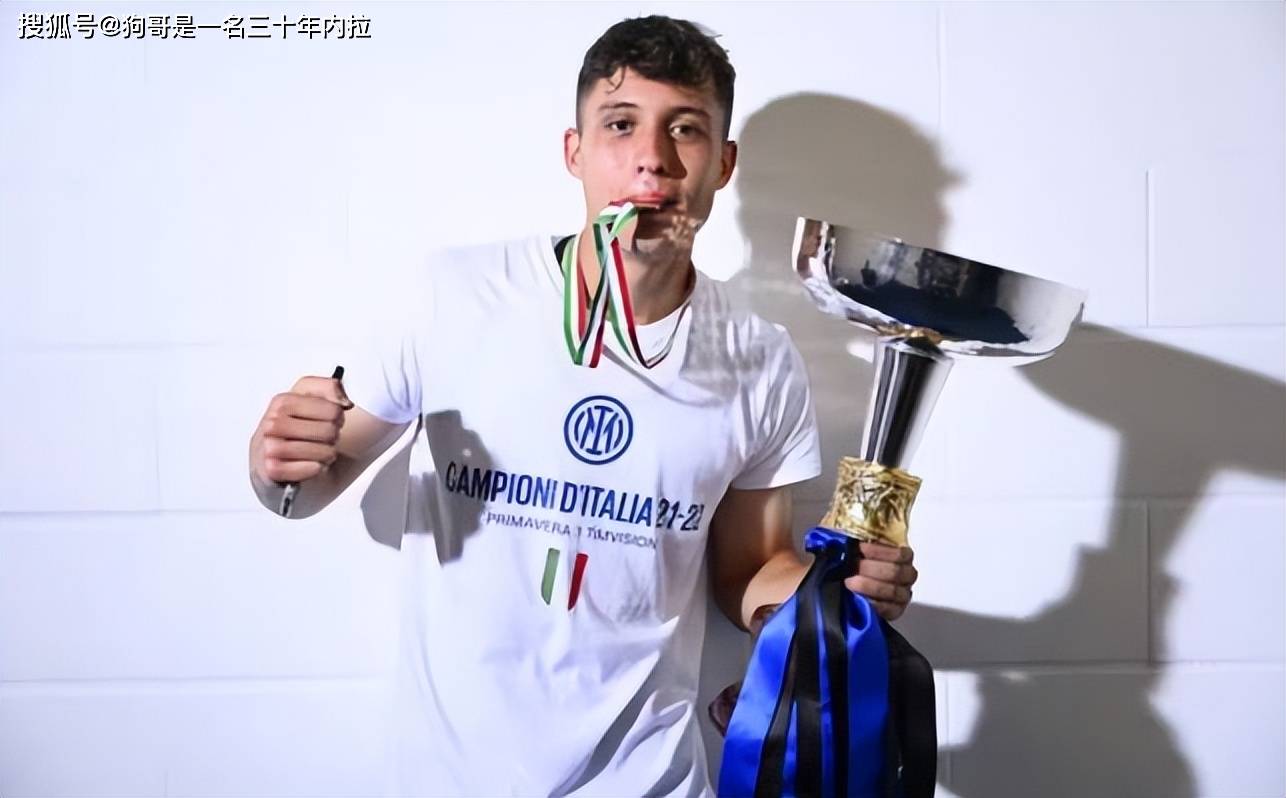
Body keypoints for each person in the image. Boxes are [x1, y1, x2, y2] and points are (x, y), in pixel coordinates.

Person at [247, 14, 918, 797]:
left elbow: (746, 573)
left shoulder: (761, 360)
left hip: (650, 779)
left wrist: (829, 601)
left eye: (686, 129)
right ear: (575, 151)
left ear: (723, 164)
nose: (652, 158)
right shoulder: (457, 297)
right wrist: (278, 462)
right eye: (621, 125)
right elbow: (309, 486)